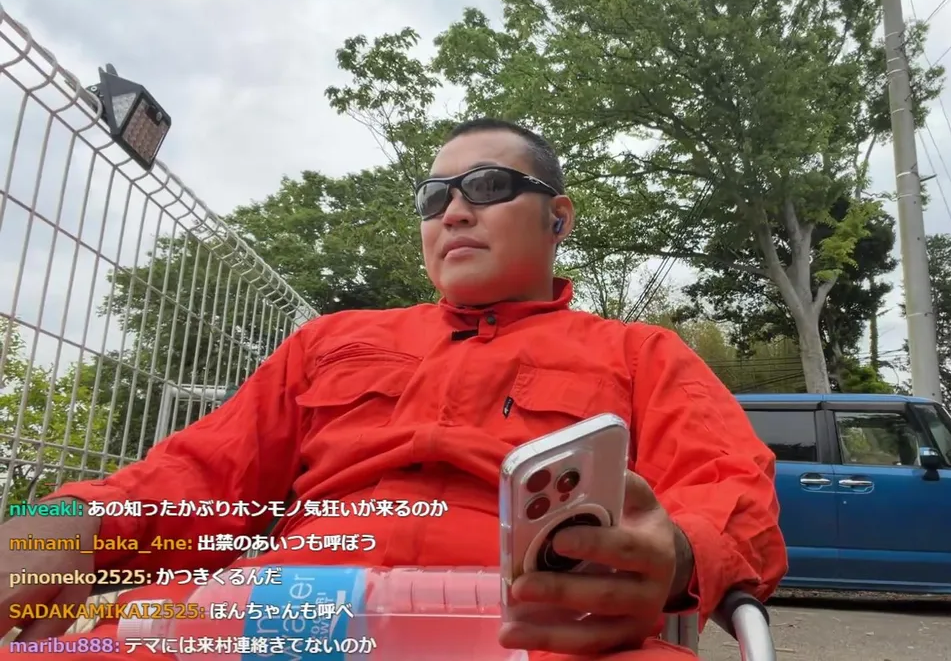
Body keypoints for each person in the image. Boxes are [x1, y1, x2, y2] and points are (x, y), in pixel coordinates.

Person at [0, 118, 786, 660]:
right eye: (433, 198)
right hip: (286, 621)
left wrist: (679, 554)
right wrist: (64, 522)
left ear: (559, 218)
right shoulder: (331, 342)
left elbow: (731, 487)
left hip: (543, 632)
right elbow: (196, 474)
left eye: (486, 185)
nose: (454, 211)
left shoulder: (641, 354)